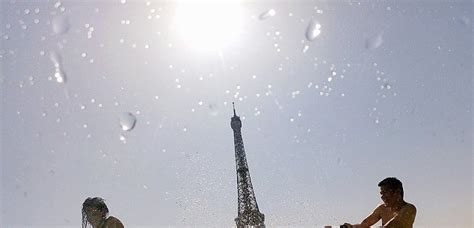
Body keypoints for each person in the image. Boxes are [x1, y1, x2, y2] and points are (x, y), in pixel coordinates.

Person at [341, 177, 416, 228]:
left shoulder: (409, 209)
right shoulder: (382, 209)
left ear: (397, 192)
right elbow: (364, 225)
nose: (382, 197)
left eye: (385, 193)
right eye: (381, 194)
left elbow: (392, 226)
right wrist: (350, 226)